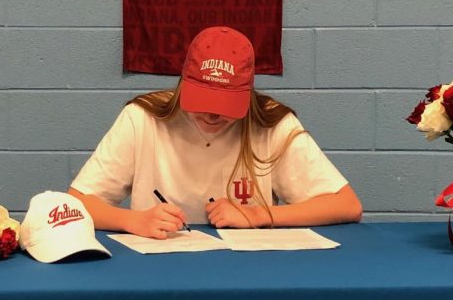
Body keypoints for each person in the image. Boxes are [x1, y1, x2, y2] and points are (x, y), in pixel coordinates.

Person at [69, 26, 362, 239]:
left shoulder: (273, 124)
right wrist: (132, 220)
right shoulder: (141, 119)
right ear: (183, 84)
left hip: (249, 273)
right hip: (158, 269)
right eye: (203, 101)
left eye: (224, 104)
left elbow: (347, 205)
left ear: (247, 95)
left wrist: (259, 215)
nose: (211, 114)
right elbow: (77, 201)